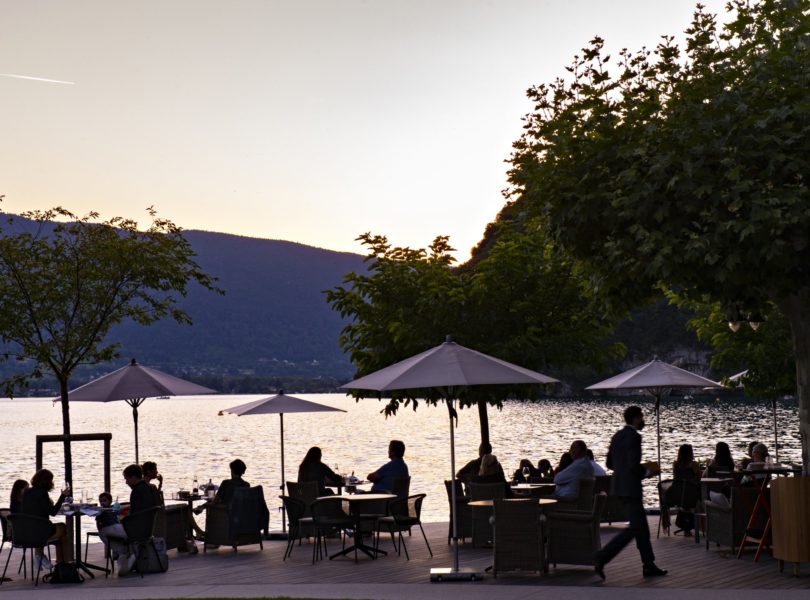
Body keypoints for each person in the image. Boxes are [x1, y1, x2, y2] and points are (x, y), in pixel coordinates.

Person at [595, 406, 667, 580]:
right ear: (635, 418)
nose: (642, 420)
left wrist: (623, 471)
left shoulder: (617, 436)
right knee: (635, 528)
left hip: (618, 487)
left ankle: (648, 565)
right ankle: (602, 556)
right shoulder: (634, 437)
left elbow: (610, 463)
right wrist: (648, 472)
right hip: (631, 489)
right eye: (641, 417)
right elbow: (634, 465)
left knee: (641, 528)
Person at [21, 469, 70, 571]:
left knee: (59, 533)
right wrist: (63, 496)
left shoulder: (26, 492)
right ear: (47, 481)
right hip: (40, 531)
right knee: (63, 528)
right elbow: (53, 512)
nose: (52, 483)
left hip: (26, 531)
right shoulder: (42, 493)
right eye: (51, 480)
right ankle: (62, 564)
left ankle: (40, 556)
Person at [95, 491, 128, 573]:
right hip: (110, 530)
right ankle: (119, 553)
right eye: (101, 501)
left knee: (104, 535)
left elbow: (120, 512)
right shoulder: (100, 511)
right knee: (104, 535)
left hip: (115, 529)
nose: (102, 503)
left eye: (104, 500)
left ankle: (118, 553)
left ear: (110, 501)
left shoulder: (113, 509)